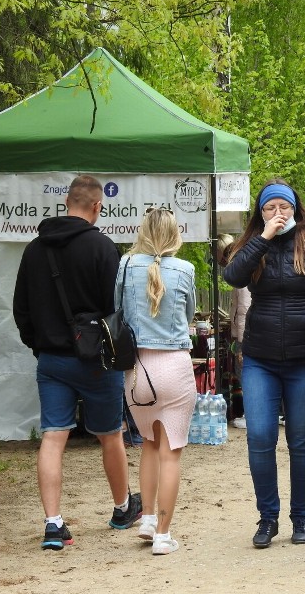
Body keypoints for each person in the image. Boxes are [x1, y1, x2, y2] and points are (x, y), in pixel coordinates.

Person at [13, 175, 141, 551]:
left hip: (52, 361)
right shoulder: (104, 248)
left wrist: (40, 347)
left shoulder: (34, 250)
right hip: (97, 362)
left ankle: (53, 524)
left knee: (53, 436)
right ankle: (122, 509)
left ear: (66, 203)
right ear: (97, 207)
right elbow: (117, 309)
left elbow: (21, 309)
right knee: (110, 435)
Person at [223, 179, 305, 549]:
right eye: (270, 208)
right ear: (260, 213)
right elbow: (233, 276)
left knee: (301, 441)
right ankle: (267, 518)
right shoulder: (252, 244)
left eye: (284, 207)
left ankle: (301, 518)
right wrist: (263, 237)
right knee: (260, 438)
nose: (279, 213)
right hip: (260, 358)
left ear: (296, 208)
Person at [116, 207, 197, 555]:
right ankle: (163, 535)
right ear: (174, 234)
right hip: (174, 366)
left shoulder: (125, 264)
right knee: (171, 454)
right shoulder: (185, 269)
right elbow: (189, 313)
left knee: (148, 443)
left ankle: (148, 518)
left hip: (136, 370)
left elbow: (116, 308)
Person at [217, 233, 252, 429]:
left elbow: (244, 307)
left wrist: (241, 340)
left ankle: (249, 414)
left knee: (245, 372)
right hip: (244, 332)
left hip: (245, 334)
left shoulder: (241, 267)